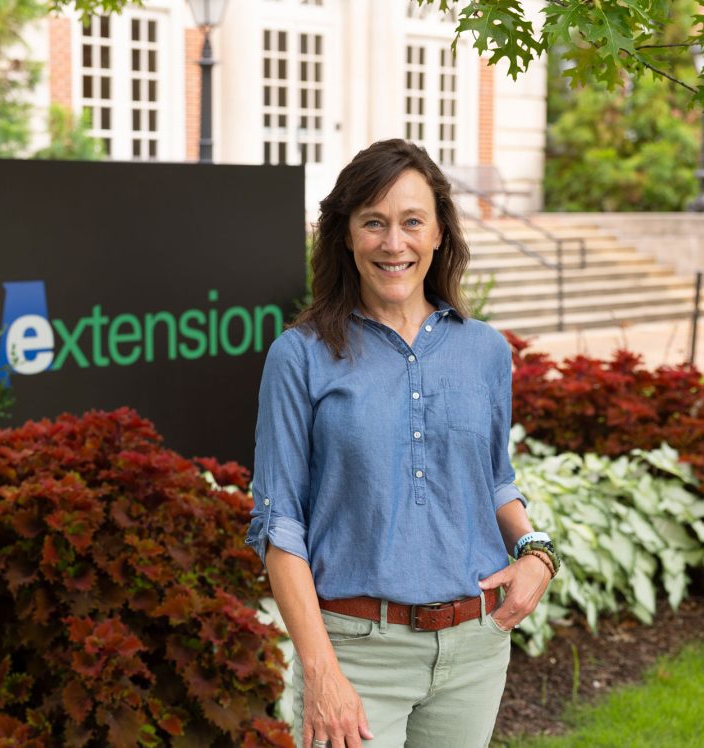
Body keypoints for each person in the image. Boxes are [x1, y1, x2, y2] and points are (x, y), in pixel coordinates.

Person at [246, 139, 559, 748]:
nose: (394, 243)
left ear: (439, 232)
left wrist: (537, 553)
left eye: (412, 221)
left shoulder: (485, 349)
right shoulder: (300, 356)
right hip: (355, 654)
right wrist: (322, 672)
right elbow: (280, 525)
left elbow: (495, 480)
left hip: (474, 650)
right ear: (346, 235)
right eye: (374, 222)